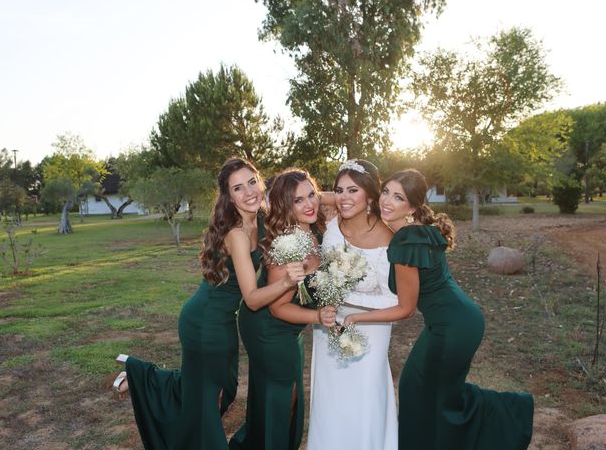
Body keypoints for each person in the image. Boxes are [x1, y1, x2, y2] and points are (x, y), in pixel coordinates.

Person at [113, 157, 306, 450]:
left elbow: (312, 200)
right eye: (238, 188)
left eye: (252, 182)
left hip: (222, 320)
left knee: (222, 391)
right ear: (228, 196)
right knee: (210, 400)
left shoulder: (263, 218)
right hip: (204, 322)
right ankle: (144, 379)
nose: (249, 192)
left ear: (260, 181)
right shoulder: (237, 235)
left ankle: (141, 378)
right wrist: (287, 281)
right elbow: (253, 300)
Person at [343, 168, 534, 450]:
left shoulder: (407, 240)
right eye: (386, 192)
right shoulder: (419, 229)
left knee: (421, 392)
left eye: (398, 197)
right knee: (430, 393)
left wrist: (357, 316)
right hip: (457, 320)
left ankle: (513, 414)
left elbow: (406, 309)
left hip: (452, 327)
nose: (386, 201)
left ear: (413, 207)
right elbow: (347, 201)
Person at [231, 169, 337, 450]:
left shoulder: (314, 230)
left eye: (311, 195)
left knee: (280, 394)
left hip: (291, 330)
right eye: (298, 201)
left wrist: (331, 196)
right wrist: (317, 316)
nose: (309, 204)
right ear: (285, 207)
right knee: (284, 397)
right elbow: (278, 308)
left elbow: (335, 199)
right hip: (269, 326)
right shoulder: (287, 246)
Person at [307, 159, 399, 450]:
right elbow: (310, 195)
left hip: (372, 327)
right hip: (329, 326)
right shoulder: (332, 224)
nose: (344, 198)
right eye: (339, 190)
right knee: (330, 399)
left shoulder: (389, 239)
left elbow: (394, 299)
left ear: (370, 195)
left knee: (364, 399)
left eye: (353, 190)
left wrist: (341, 294)